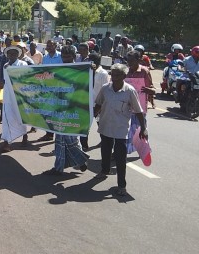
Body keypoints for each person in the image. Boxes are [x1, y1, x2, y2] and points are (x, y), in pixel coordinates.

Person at [94, 63, 147, 197]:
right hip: (106, 126)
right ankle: (104, 170)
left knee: (120, 158)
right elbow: (98, 104)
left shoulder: (129, 91)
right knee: (105, 151)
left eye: (118, 75)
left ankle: (122, 186)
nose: (114, 77)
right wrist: (88, 119)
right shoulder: (105, 89)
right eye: (113, 74)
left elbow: (139, 111)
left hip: (121, 129)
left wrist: (143, 128)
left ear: (124, 76)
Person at [42, 45, 89, 175]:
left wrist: (92, 70)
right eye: (64, 57)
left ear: (74, 57)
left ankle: (80, 160)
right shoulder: (59, 70)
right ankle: (59, 167)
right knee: (60, 139)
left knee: (71, 138)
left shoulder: (81, 70)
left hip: (74, 109)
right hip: (60, 108)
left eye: (68, 57)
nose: (66, 60)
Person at [0, 45, 29, 153]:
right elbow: (5, 79)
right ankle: (7, 143)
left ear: (17, 54)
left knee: (19, 116)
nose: (12, 55)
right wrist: (2, 83)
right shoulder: (6, 65)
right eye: (10, 54)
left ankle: (24, 135)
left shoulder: (22, 64)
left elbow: (25, 79)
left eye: (14, 53)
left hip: (18, 94)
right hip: (7, 95)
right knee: (7, 118)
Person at [38, 40, 62, 142]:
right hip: (48, 89)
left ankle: (59, 135)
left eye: (51, 45)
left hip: (60, 88)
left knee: (58, 113)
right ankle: (49, 134)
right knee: (48, 112)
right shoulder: (45, 58)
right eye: (48, 45)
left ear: (55, 45)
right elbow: (43, 71)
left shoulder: (61, 56)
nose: (49, 47)